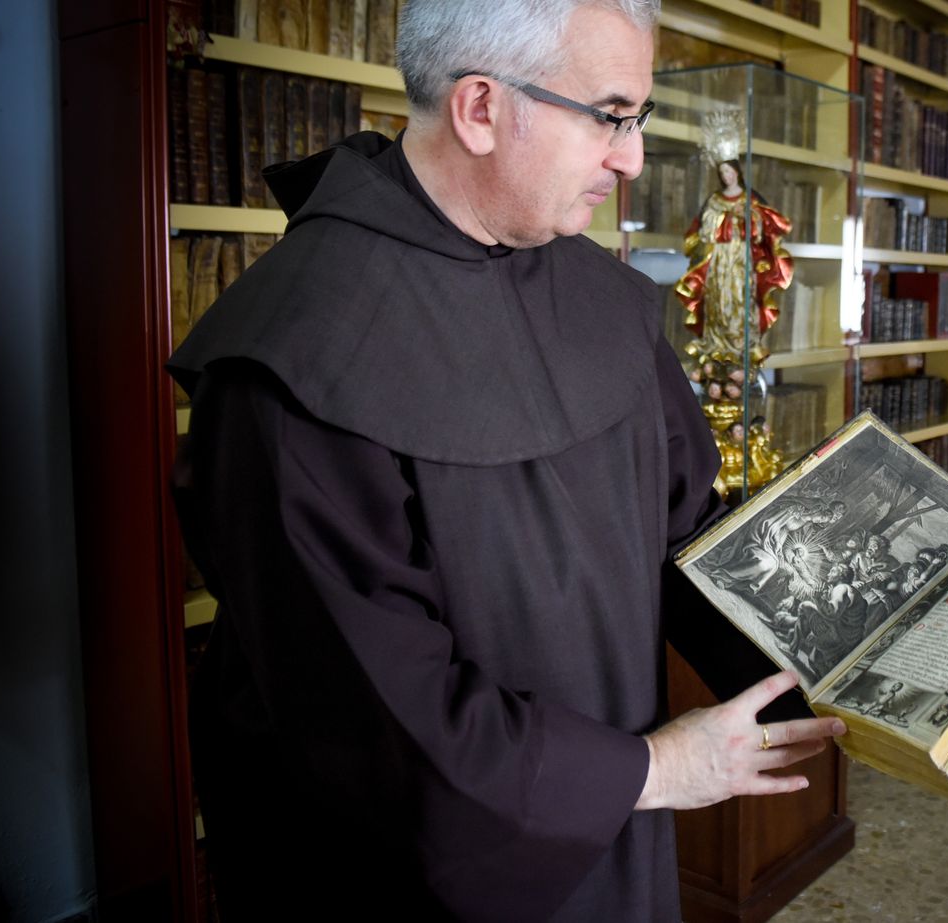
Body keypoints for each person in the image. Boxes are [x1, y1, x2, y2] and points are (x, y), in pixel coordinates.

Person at [166, 2, 844, 920]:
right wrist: (652, 768)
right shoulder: (292, 364)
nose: (632, 157)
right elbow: (378, 718)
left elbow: (693, 538)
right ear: (480, 108)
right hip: (414, 877)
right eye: (609, 115)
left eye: (637, 119)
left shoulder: (604, 297)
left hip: (621, 831)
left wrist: (876, 656)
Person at [675, 158, 795, 365]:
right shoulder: (714, 200)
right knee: (718, 300)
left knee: (741, 298)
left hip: (742, 257)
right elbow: (704, 228)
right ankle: (716, 343)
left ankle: (741, 344)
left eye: (729, 172)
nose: (726, 176)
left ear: (737, 173)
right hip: (720, 258)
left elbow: (765, 227)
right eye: (722, 173)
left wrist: (748, 215)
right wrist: (721, 217)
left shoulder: (750, 198)